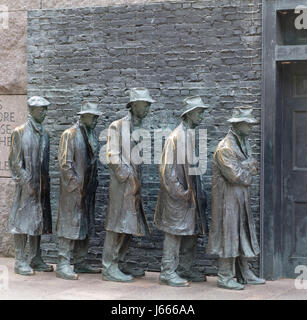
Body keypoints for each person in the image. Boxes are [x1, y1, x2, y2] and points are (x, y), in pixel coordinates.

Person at [207, 106, 265, 290]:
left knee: (242, 233)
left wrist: (246, 167)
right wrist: (248, 167)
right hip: (227, 201)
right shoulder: (225, 148)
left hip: (239, 197)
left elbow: (251, 167)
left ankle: (243, 272)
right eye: (248, 124)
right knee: (229, 235)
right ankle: (225, 276)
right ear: (238, 125)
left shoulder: (243, 142)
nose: (251, 128)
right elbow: (237, 176)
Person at [154, 96, 208, 287]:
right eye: (199, 112)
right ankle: (168, 272)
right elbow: (167, 171)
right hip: (177, 197)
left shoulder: (190, 135)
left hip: (190, 196)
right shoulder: (176, 137)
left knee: (190, 232)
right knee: (174, 234)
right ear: (189, 114)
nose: (201, 116)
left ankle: (185, 269)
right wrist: (180, 192)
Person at [102, 88, 155, 282]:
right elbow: (112, 155)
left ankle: (120, 262)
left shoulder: (140, 128)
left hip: (134, 186)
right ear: (133, 105)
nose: (148, 107)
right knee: (116, 225)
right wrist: (128, 176)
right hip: (122, 186)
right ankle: (109, 267)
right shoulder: (117, 126)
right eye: (145, 103)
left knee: (129, 226)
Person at [56, 102, 103, 280]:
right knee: (69, 225)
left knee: (85, 225)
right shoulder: (70, 134)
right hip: (73, 191)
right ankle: (62, 263)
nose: (96, 119)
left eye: (97, 117)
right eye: (93, 116)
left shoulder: (92, 135)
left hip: (88, 189)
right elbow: (65, 164)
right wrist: (75, 186)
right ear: (82, 116)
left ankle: (81, 262)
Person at [7, 96, 53, 276]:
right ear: (31, 110)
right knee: (21, 223)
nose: (44, 112)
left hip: (41, 186)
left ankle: (35, 257)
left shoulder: (46, 134)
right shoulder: (19, 132)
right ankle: (20, 260)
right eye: (40, 109)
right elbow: (14, 161)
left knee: (37, 221)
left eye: (45, 109)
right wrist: (25, 181)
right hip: (26, 186)